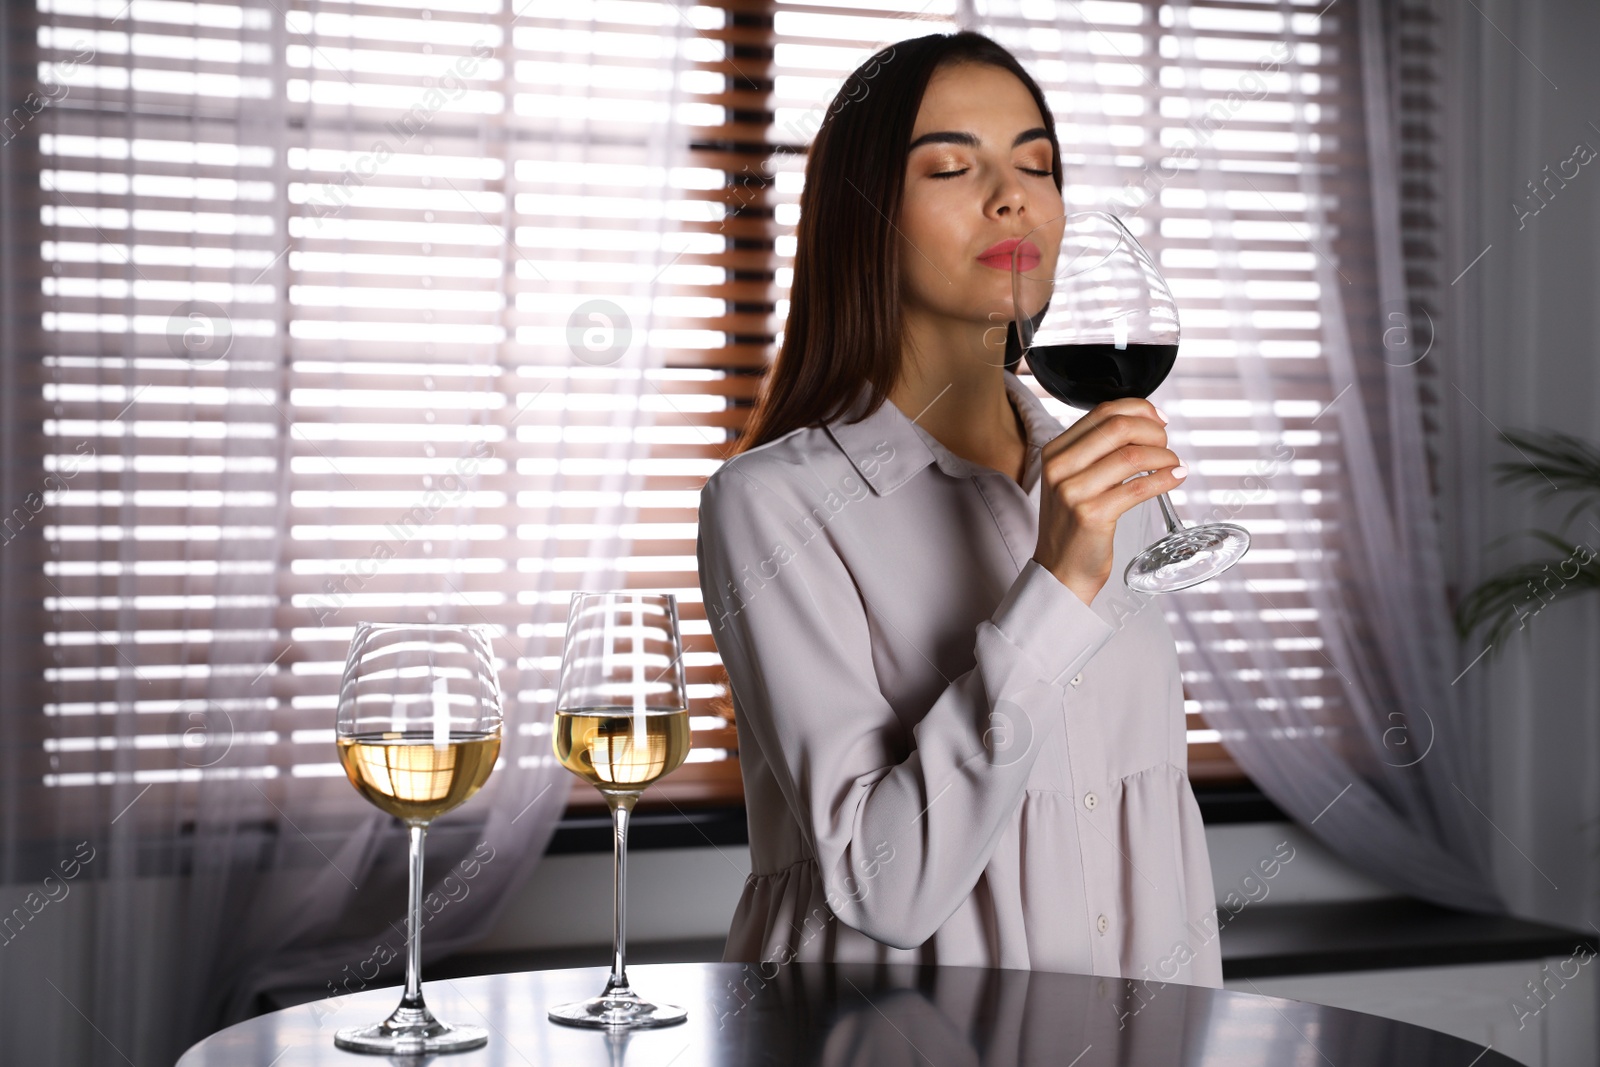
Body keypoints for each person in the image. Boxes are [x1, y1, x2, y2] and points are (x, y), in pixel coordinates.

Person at [695, 30, 1221, 986]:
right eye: (950, 165)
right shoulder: (768, 506)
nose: (1012, 194)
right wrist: (1056, 580)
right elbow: (882, 886)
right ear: (863, 217)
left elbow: (1142, 816)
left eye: (1037, 163)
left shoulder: (1109, 484)